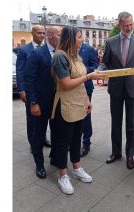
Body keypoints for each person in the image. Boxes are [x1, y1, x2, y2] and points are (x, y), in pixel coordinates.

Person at [51, 26, 105, 195]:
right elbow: (65, 84)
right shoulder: (60, 57)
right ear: (71, 38)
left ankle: (76, 167)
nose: (82, 39)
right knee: (63, 142)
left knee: (76, 139)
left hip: (79, 104)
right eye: (80, 37)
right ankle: (62, 175)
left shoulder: (76, 56)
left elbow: (80, 83)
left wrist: (87, 100)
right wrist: (89, 76)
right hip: (65, 105)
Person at [98, 11, 134, 170]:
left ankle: (130, 154)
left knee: (132, 123)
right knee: (116, 122)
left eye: (131, 25)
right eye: (126, 25)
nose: (129, 28)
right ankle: (116, 152)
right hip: (115, 88)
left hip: (132, 88)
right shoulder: (111, 42)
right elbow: (105, 62)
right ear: (119, 25)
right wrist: (99, 70)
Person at [23, 25, 62, 179]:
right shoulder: (36, 54)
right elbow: (29, 80)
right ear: (50, 36)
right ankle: (39, 164)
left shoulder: (61, 53)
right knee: (38, 135)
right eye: (59, 34)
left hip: (57, 102)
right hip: (40, 103)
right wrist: (33, 103)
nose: (62, 37)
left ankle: (54, 157)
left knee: (57, 132)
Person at [16, 25, 51, 148]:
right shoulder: (24, 50)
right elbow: (20, 71)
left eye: (43, 33)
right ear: (32, 33)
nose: (41, 35)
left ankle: (43, 138)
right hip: (31, 91)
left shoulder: (47, 49)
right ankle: (33, 143)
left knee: (44, 117)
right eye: (39, 33)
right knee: (32, 119)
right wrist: (22, 90)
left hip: (44, 91)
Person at [78, 42, 99, 157]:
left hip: (86, 87)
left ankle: (86, 143)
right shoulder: (66, 48)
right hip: (71, 89)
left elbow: (95, 66)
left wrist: (82, 69)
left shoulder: (89, 49)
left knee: (86, 116)